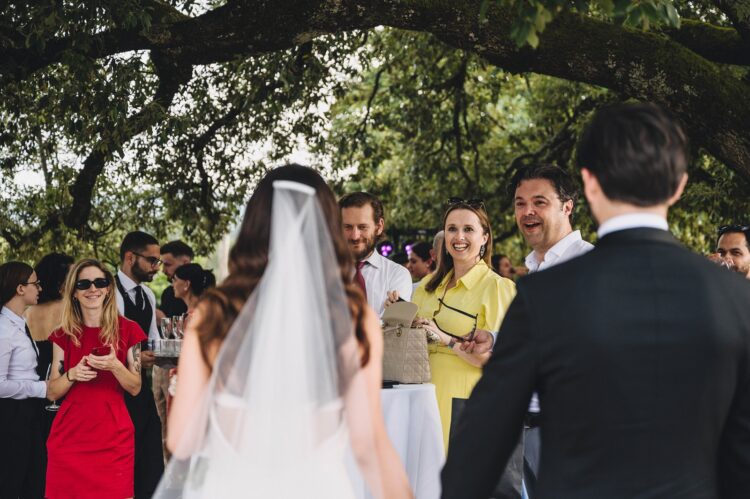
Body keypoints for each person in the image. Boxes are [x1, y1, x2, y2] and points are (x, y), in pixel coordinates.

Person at [442, 103, 750, 499]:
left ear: (588, 184)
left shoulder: (544, 295)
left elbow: (479, 449)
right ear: (679, 186)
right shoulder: (737, 300)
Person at [157, 164, 412, 499]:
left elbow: (181, 440)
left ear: (255, 227)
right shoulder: (352, 316)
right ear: (326, 228)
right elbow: (370, 447)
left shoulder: (213, 314)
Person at [403, 199, 516, 452]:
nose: (459, 236)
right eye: (452, 229)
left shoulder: (498, 287)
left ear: (485, 237)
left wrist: (445, 339)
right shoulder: (426, 286)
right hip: (420, 401)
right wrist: (399, 313)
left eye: (468, 229)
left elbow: (501, 361)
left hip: (465, 406)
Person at [510, 163, 594, 497]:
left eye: (539, 202)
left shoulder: (590, 265)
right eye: (520, 203)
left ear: (567, 206)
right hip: (528, 426)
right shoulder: (533, 268)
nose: (527, 211)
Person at [45, 259, 145, 499]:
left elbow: (135, 387)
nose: (93, 289)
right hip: (69, 440)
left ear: (108, 288)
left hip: (114, 438)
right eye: (84, 284)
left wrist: (115, 366)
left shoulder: (129, 330)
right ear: (74, 293)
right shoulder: (63, 335)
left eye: (100, 282)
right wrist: (72, 374)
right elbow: (52, 392)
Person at [115, 231, 164, 497]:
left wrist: (168, 354)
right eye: (152, 261)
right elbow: (107, 343)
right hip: (114, 390)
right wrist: (134, 357)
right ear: (130, 257)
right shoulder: (108, 291)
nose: (157, 267)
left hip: (140, 387)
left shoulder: (147, 294)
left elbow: (152, 341)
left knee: (150, 458)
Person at [0, 261, 47, 499]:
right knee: (11, 481)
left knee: (34, 480)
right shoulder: (4, 329)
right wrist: (41, 388)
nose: (39, 288)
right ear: (20, 289)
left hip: (28, 412)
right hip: (11, 416)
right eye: (35, 283)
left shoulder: (19, 322)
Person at [25, 253, 74, 439]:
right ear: (60, 280)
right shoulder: (69, 310)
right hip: (61, 377)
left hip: (34, 379)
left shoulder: (28, 312)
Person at [340, 191, 413, 315]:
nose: (355, 236)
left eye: (363, 227)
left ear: (379, 226)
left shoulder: (397, 275)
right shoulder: (322, 272)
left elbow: (393, 328)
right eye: (347, 227)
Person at [157, 240, 193, 321]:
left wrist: (164, 320)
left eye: (168, 264)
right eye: (162, 265)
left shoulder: (205, 294)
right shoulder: (167, 293)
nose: (163, 270)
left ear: (185, 263)